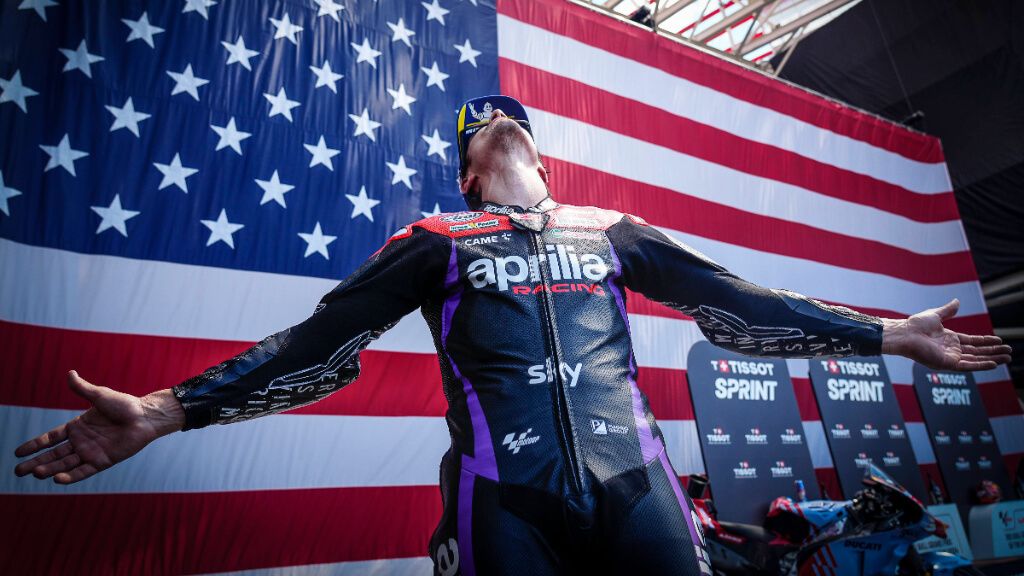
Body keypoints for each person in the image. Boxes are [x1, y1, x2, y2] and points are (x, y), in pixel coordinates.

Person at [13, 95, 1012, 575]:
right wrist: (162, 409)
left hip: (641, 494)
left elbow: (745, 308)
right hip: (505, 507)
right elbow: (315, 346)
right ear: (468, 171)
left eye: (513, 123)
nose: (500, 127)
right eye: (481, 130)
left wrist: (891, 337)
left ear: (546, 158)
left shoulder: (608, 233)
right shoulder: (434, 240)